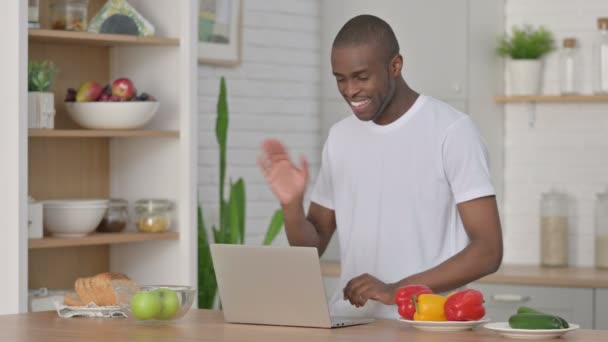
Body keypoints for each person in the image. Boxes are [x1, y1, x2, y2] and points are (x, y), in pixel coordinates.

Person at [257, 14, 503, 319]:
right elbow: (312, 245)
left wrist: (395, 290)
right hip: (350, 322)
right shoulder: (340, 137)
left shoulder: (452, 131)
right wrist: (292, 206)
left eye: (361, 77)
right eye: (340, 78)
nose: (349, 91)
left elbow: (488, 251)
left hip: (427, 325)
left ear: (395, 66)